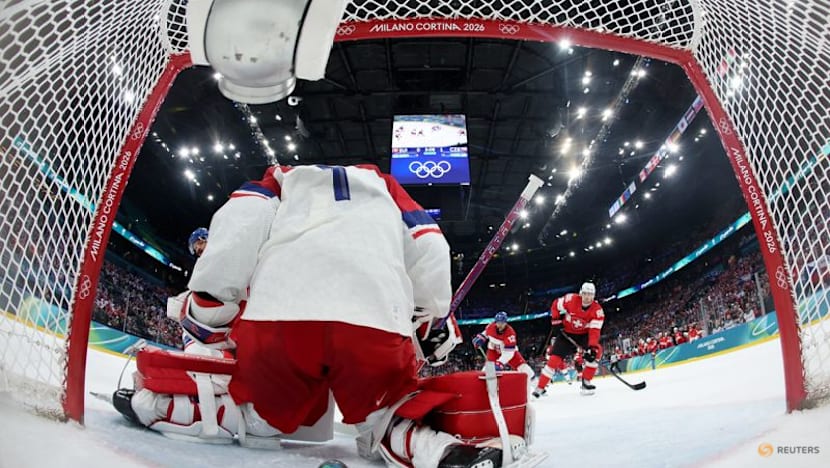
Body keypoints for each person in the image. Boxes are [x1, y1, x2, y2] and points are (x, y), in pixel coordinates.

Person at [114, 164, 532, 467]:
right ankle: (443, 453)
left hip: (281, 313)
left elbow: (239, 228)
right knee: (386, 416)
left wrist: (210, 309)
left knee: (259, 416)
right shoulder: (386, 188)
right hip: (374, 318)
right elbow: (431, 248)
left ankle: (153, 405)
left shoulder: (280, 178)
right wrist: (429, 315)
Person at [532, 282, 605, 397]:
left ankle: (586, 382)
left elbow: (594, 331)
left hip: (583, 335)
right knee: (554, 360)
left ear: (594, 296)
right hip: (566, 334)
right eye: (585, 294)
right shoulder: (570, 299)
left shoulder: (598, 311)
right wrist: (555, 320)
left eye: (590, 294)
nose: (587, 297)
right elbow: (555, 305)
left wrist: (591, 347)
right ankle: (540, 387)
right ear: (581, 293)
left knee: (596, 351)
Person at [471, 311, 535, 383]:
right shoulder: (491, 326)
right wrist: (480, 338)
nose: (500, 325)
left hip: (508, 352)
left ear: (506, 323)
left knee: (525, 369)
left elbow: (509, 353)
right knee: (488, 370)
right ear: (495, 322)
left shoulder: (510, 333)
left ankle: (536, 386)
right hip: (493, 351)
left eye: (502, 323)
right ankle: (483, 386)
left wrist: (500, 362)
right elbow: (486, 333)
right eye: (498, 322)